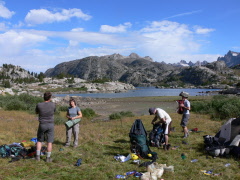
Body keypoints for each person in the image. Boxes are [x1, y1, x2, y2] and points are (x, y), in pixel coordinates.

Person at [35, 92, 56, 162]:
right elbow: (54, 111)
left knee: (39, 140)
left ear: (43, 97)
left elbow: (36, 112)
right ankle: (48, 158)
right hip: (50, 124)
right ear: (50, 98)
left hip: (42, 124)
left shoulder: (39, 105)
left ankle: (37, 157)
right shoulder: (53, 105)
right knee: (49, 141)